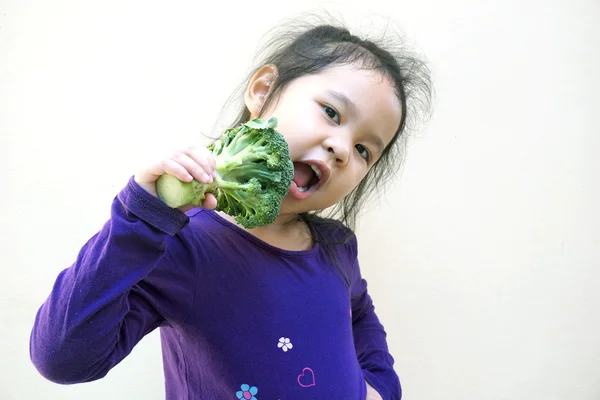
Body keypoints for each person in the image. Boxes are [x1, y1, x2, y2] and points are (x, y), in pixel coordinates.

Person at [29, 17, 432, 400]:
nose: (342, 148)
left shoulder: (336, 245)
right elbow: (63, 359)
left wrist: (380, 386)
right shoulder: (183, 244)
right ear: (262, 90)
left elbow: (360, 317)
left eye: (364, 149)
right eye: (331, 112)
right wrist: (139, 219)